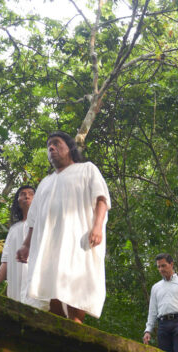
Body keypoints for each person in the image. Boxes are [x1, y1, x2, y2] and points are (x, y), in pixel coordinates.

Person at [17, 132, 110, 322]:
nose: (51, 148)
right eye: (49, 146)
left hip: (78, 239)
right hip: (49, 242)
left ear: (69, 148)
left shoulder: (87, 169)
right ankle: (58, 327)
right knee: (51, 282)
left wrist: (97, 226)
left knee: (77, 280)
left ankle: (76, 325)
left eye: (56, 144)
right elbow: (33, 219)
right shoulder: (45, 182)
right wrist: (26, 245)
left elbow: (101, 198)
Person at [0, 185, 47, 310]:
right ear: (17, 201)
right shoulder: (13, 229)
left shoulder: (45, 222)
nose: (27, 196)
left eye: (31, 193)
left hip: (39, 283)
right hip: (16, 287)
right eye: (23, 194)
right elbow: (6, 260)